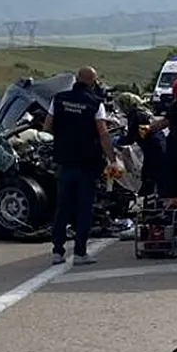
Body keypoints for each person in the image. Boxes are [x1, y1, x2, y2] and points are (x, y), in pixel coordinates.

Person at [42, 66, 121, 265]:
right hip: (87, 164)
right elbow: (103, 134)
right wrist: (112, 159)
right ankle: (80, 253)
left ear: (76, 79)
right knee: (84, 208)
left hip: (64, 163)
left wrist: (63, 137)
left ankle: (57, 251)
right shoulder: (95, 104)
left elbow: (47, 127)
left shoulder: (58, 99)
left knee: (62, 208)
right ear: (92, 83)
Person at [146, 76, 177, 209]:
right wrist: (150, 128)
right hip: (174, 144)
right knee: (169, 170)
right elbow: (167, 121)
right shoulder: (174, 106)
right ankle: (173, 198)